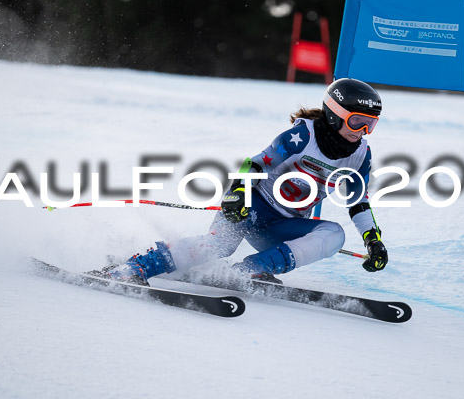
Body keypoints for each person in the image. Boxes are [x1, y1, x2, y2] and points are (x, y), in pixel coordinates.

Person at [106, 78, 388, 285]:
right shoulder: (303, 137)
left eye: (370, 124)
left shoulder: (360, 156)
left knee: (333, 234)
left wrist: (372, 240)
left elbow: (358, 202)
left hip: (281, 226)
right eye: (356, 122)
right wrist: (237, 191)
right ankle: (137, 267)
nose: (363, 131)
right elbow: (254, 163)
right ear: (334, 114)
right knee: (219, 246)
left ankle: (250, 270)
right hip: (250, 208)